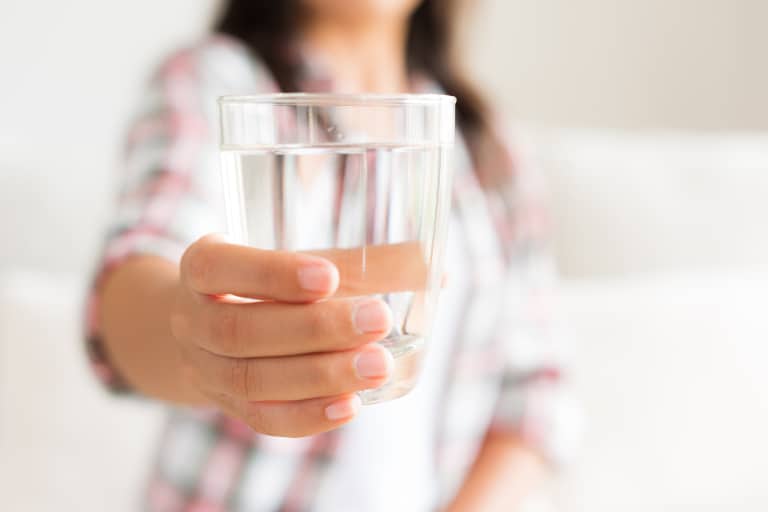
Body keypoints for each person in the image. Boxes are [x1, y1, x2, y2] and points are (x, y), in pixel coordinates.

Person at [87, 1, 577, 510]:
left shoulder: (486, 144)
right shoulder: (216, 82)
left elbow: (536, 394)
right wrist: (198, 338)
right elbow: (141, 264)